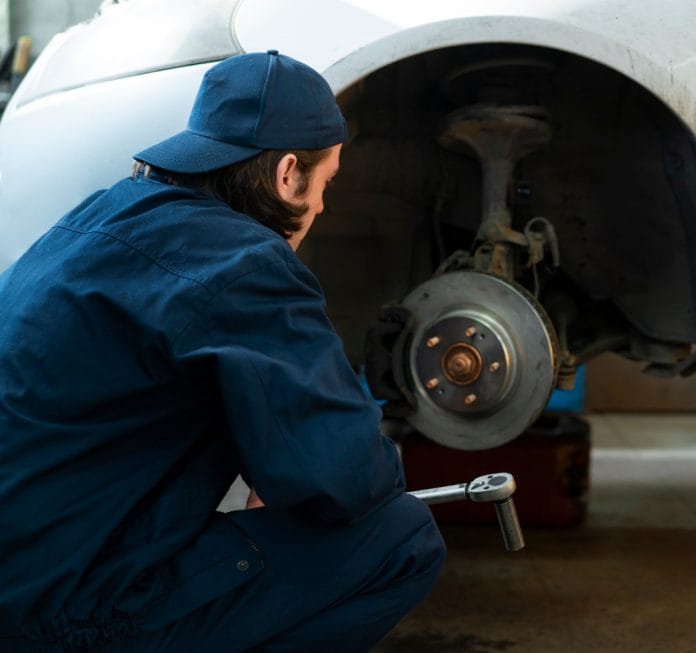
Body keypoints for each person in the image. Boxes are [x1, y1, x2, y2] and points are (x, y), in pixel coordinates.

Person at [0, 50, 445, 652]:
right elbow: (347, 478)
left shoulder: (97, 216)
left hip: (25, 576)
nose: (321, 207)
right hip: (69, 613)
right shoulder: (244, 263)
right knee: (402, 538)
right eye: (326, 183)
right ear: (289, 172)